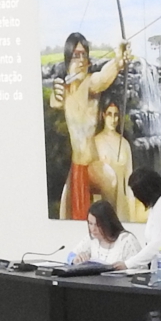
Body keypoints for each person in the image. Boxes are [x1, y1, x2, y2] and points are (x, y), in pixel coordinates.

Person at [53, 32, 128, 219]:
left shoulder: (90, 83)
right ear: (68, 60)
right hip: (76, 166)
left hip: (91, 164)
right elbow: (55, 101)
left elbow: (102, 78)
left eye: (84, 55)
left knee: (109, 180)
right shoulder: (65, 89)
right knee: (68, 215)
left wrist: (118, 61)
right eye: (75, 55)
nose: (80, 60)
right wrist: (56, 94)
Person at [86, 199, 141, 268]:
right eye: (90, 223)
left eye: (98, 225)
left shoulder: (126, 240)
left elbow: (142, 268)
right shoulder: (92, 238)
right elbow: (74, 255)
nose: (93, 229)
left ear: (107, 223)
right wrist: (78, 258)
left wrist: (126, 266)